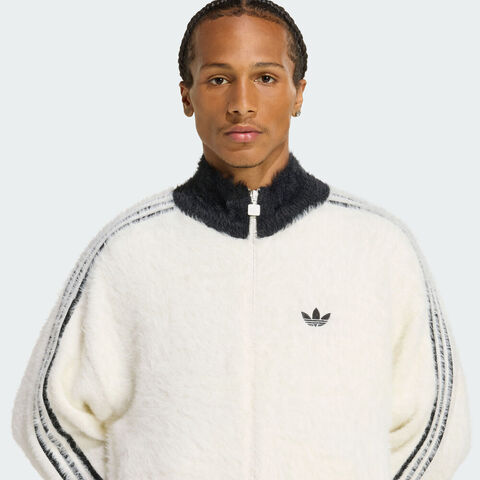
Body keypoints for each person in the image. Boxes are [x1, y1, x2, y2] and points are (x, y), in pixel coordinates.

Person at [11, 1, 471, 479]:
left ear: (298, 93)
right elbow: (47, 418)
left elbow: (436, 425)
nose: (242, 103)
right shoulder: (128, 250)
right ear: (186, 95)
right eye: (218, 79)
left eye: (266, 77)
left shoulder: (378, 247)